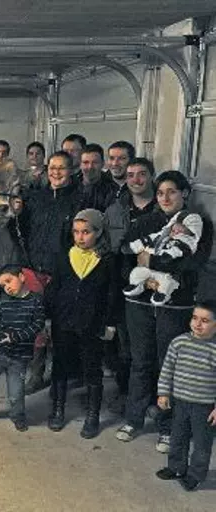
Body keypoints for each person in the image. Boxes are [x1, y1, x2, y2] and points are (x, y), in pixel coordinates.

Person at [116, 171, 213, 452]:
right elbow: (126, 257)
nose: (165, 197)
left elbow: (191, 264)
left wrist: (153, 259)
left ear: (185, 193)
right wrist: (144, 276)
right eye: (160, 193)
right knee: (140, 361)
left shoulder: (197, 223)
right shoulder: (145, 221)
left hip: (175, 303)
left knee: (167, 365)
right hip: (140, 303)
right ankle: (133, 418)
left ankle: (167, 426)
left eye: (172, 191)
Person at [45, 209, 117, 438]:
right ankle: (57, 410)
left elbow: (111, 295)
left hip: (92, 323)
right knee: (60, 365)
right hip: (63, 320)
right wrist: (48, 317)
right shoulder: (64, 256)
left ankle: (92, 416)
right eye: (76, 232)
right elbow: (53, 288)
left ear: (98, 233)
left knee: (92, 368)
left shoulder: (107, 260)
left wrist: (109, 323)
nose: (80, 237)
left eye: (86, 232)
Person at [104, 158, 157, 413]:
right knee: (126, 346)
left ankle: (154, 400)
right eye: (131, 175)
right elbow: (108, 248)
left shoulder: (164, 210)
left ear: (151, 177)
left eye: (141, 174)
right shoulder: (115, 210)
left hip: (156, 287)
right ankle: (126, 393)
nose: (135, 180)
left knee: (154, 347)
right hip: (123, 284)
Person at [0, 265, 45, 431]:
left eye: (9, 281)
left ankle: (18, 416)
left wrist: (15, 337)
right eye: (3, 286)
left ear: (22, 277)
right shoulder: (3, 302)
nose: (7, 287)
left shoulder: (36, 301)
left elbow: (37, 325)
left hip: (19, 358)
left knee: (16, 393)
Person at [155, 301, 216, 492]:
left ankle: (195, 475)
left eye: (205, 320)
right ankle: (176, 467)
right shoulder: (179, 342)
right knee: (177, 438)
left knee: (201, 445)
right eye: (195, 318)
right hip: (180, 402)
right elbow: (167, 370)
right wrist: (163, 392)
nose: (198, 324)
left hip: (204, 407)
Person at [123, 210, 203, 306]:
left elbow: (177, 252)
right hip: (148, 268)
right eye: (173, 230)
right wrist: (133, 247)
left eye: (180, 231)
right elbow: (147, 239)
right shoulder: (161, 235)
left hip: (165, 273)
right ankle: (135, 285)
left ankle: (162, 294)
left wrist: (166, 256)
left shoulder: (185, 244)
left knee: (167, 282)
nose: (175, 233)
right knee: (137, 272)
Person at [79, 143, 117, 211]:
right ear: (80, 164)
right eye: (85, 162)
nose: (90, 167)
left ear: (103, 164)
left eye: (95, 162)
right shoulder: (69, 186)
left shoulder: (113, 190)